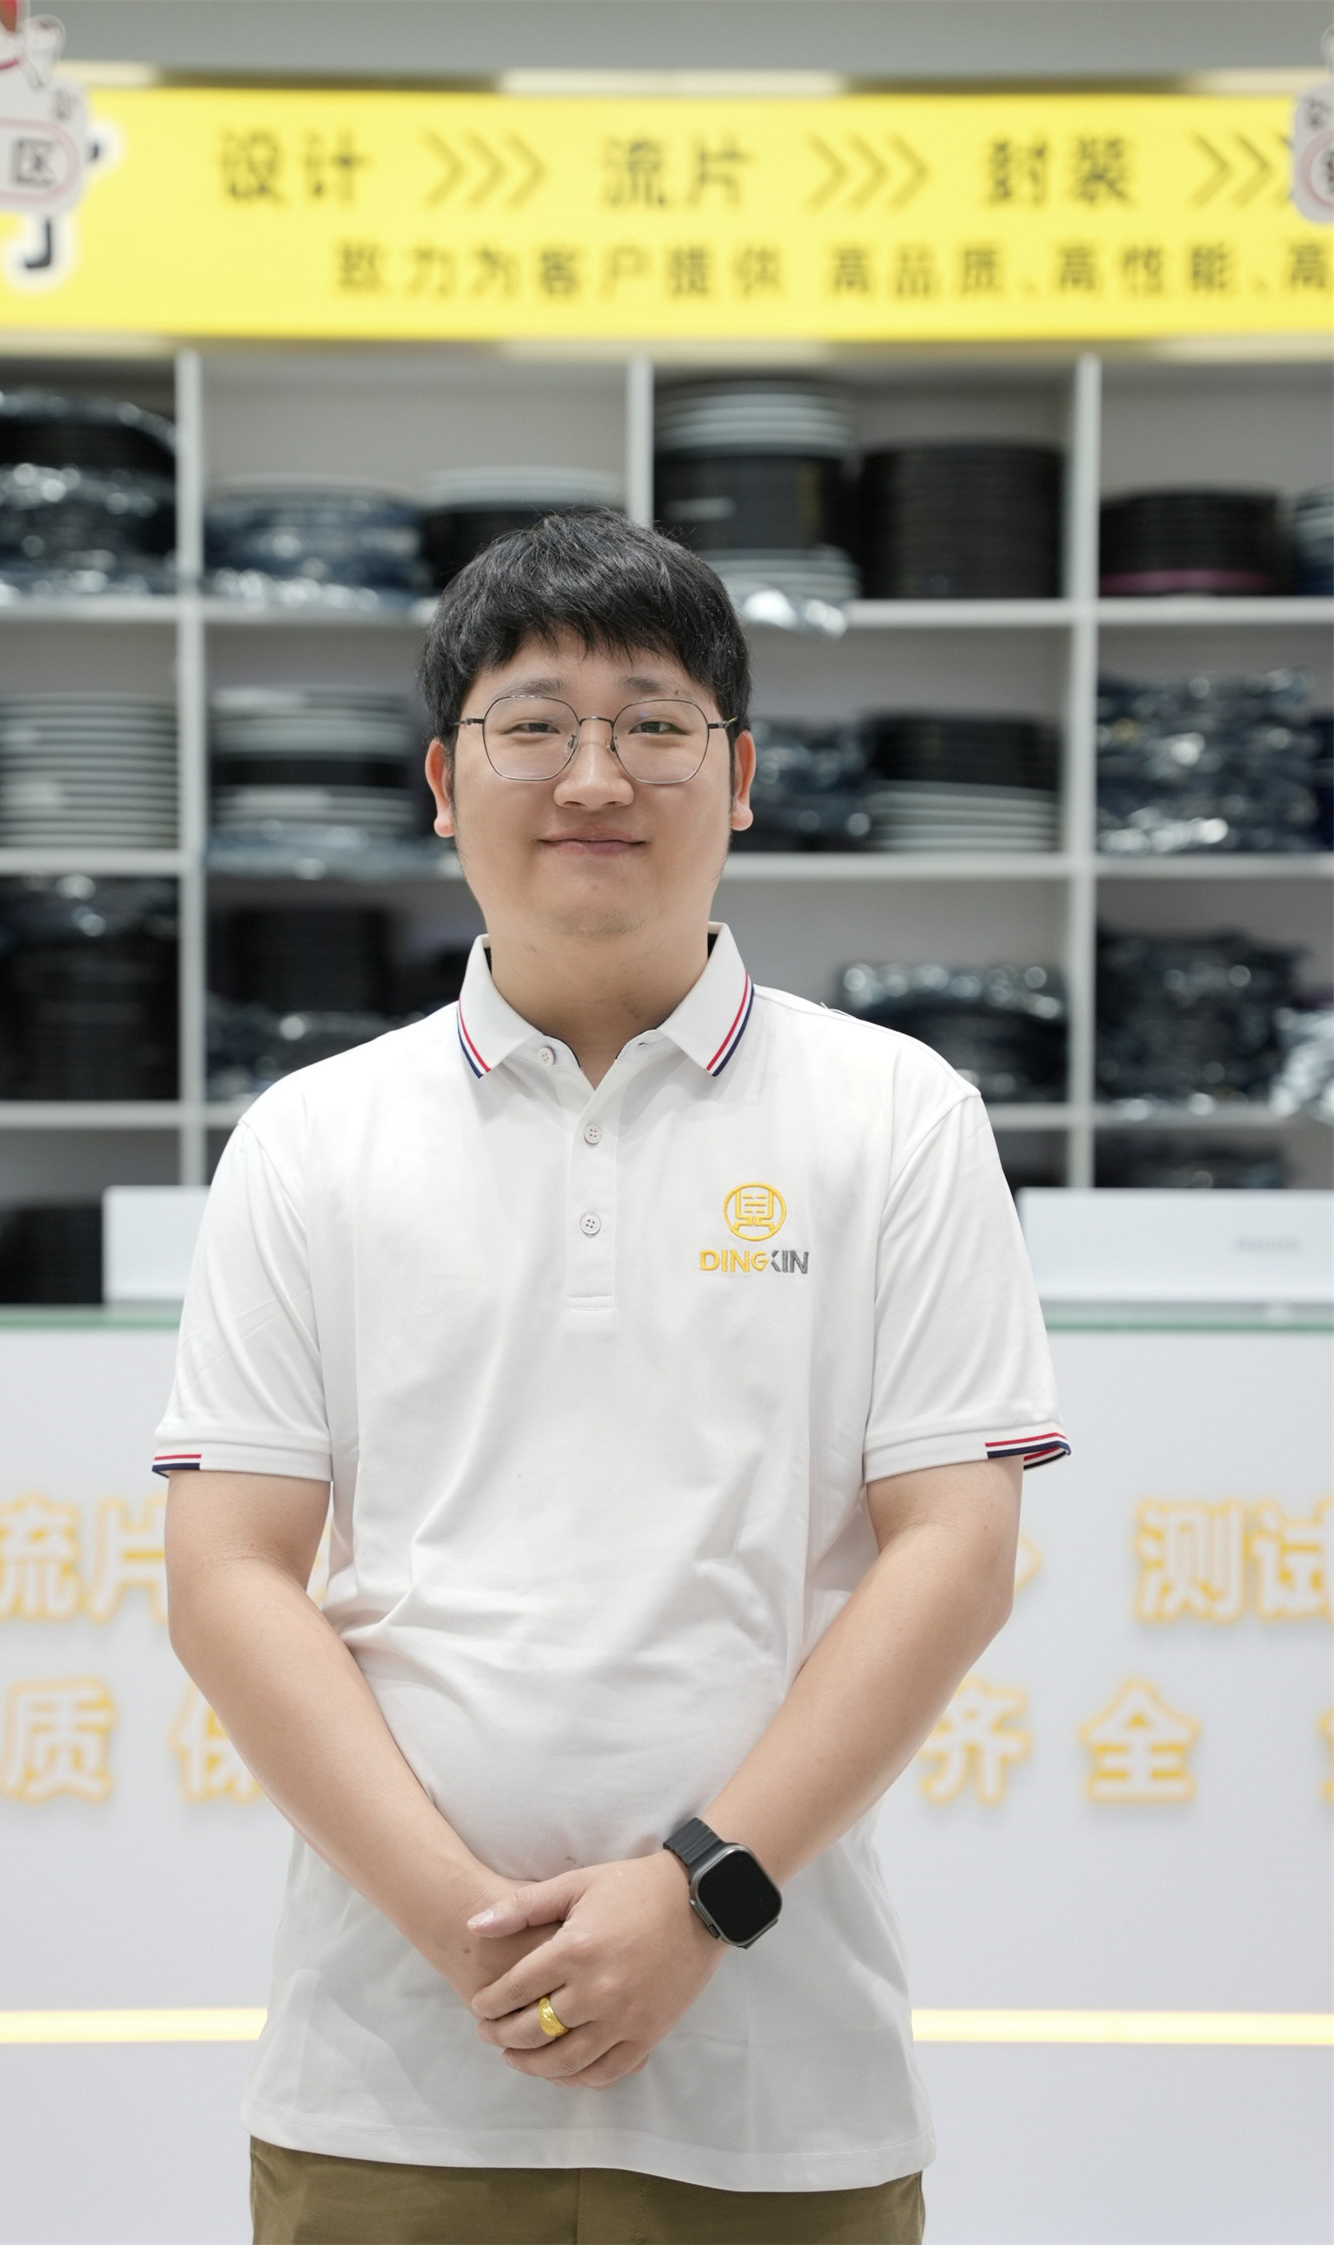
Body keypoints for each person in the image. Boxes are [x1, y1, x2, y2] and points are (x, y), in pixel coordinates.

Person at [158, 510, 1068, 2245]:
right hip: (390, 2077)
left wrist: (701, 1894)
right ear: (444, 781)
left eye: (654, 722)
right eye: (534, 725)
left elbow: (955, 1552)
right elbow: (228, 1579)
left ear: (742, 776)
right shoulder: (312, 1137)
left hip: (781, 2088)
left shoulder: (897, 1116)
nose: (595, 775)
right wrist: (467, 1932)